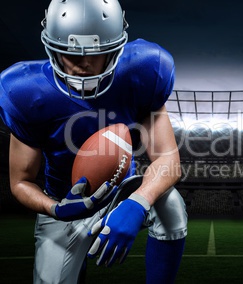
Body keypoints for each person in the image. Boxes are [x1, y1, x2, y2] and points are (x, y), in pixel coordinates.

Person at [0, 0, 187, 283]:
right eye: (70, 53)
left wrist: (138, 201)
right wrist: (56, 209)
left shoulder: (144, 69)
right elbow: (20, 181)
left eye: (98, 53)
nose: (84, 63)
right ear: (52, 48)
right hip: (64, 200)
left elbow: (168, 160)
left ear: (117, 47)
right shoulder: (24, 91)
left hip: (122, 191)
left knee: (171, 205)